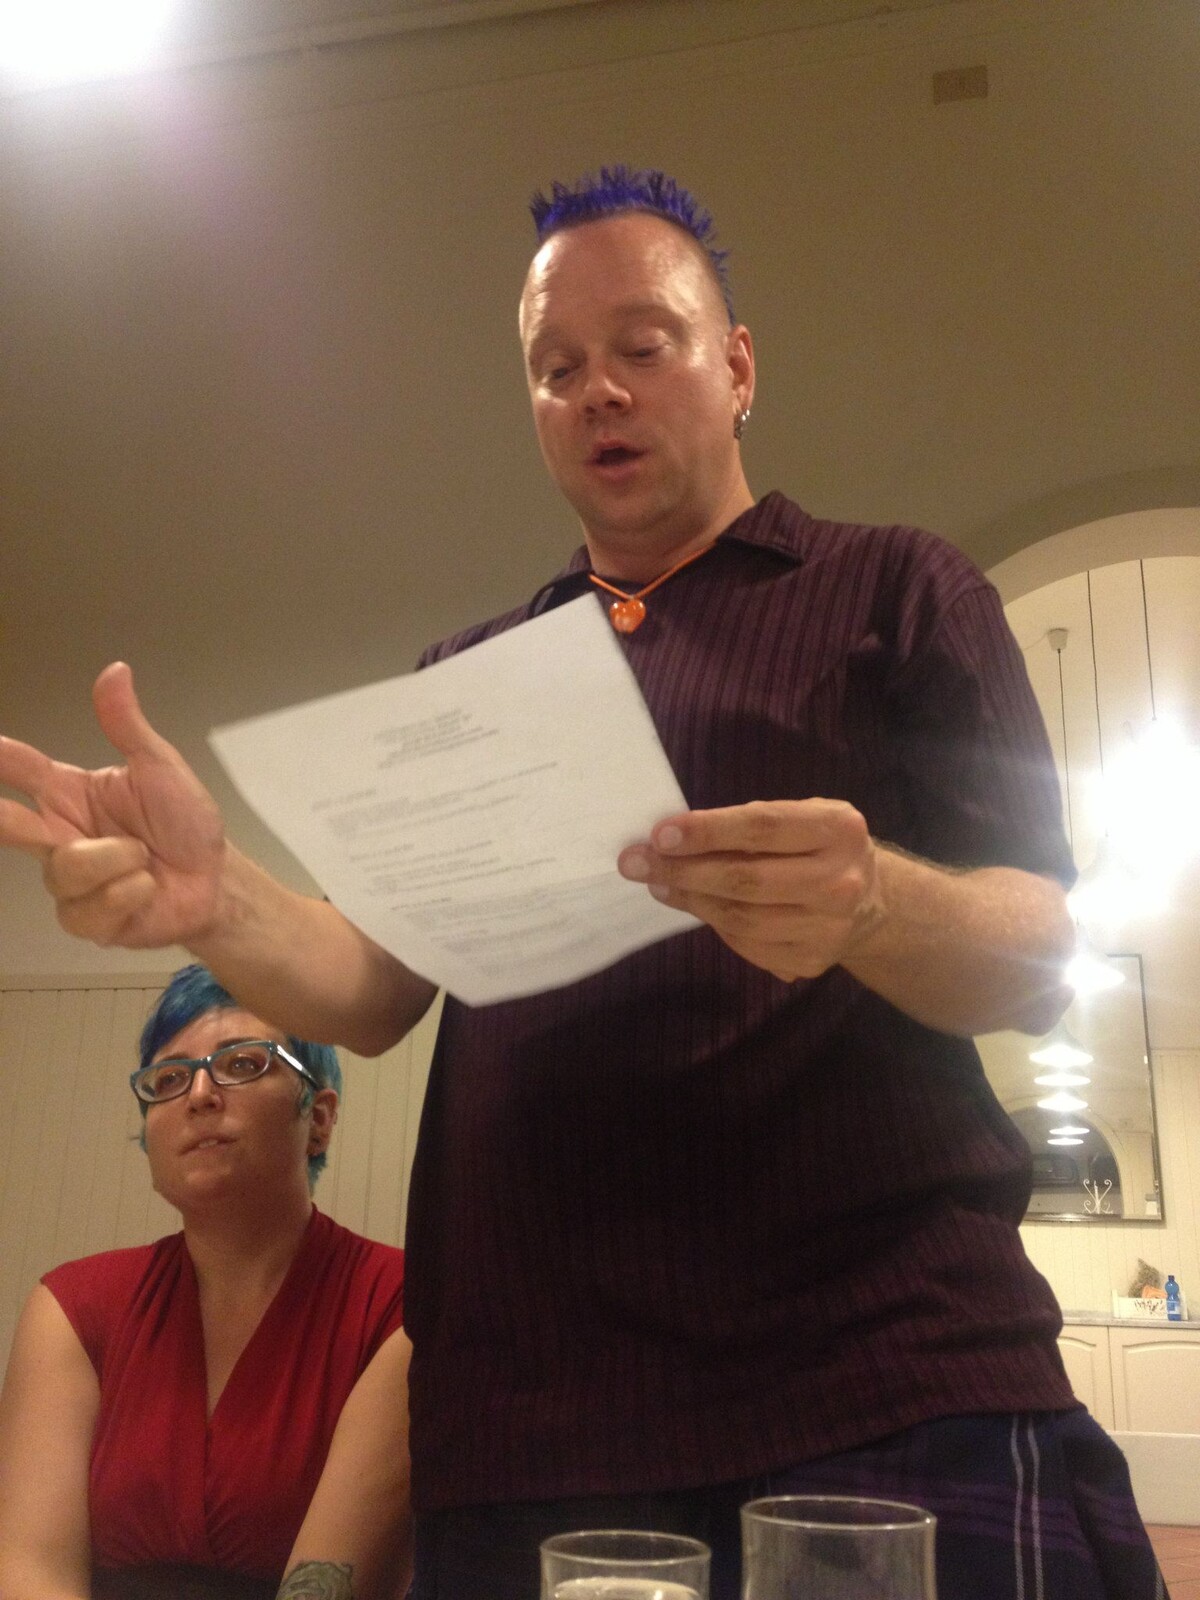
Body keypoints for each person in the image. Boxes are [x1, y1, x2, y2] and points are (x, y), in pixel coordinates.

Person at [0, 167, 1167, 1599]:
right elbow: (368, 989)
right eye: (556, 369)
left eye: (642, 346)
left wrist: (873, 905)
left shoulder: (900, 593)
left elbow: (1037, 958)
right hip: (532, 1424)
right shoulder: (473, 679)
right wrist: (212, 899)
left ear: (736, 369)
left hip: (879, 1378)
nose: (597, 391)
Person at [0, 964, 413, 1600]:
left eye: (243, 1064)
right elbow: (31, 1571)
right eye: (168, 1079)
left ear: (320, 1119)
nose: (198, 1095)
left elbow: (329, 1587)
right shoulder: (75, 1308)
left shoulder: (402, 1303)